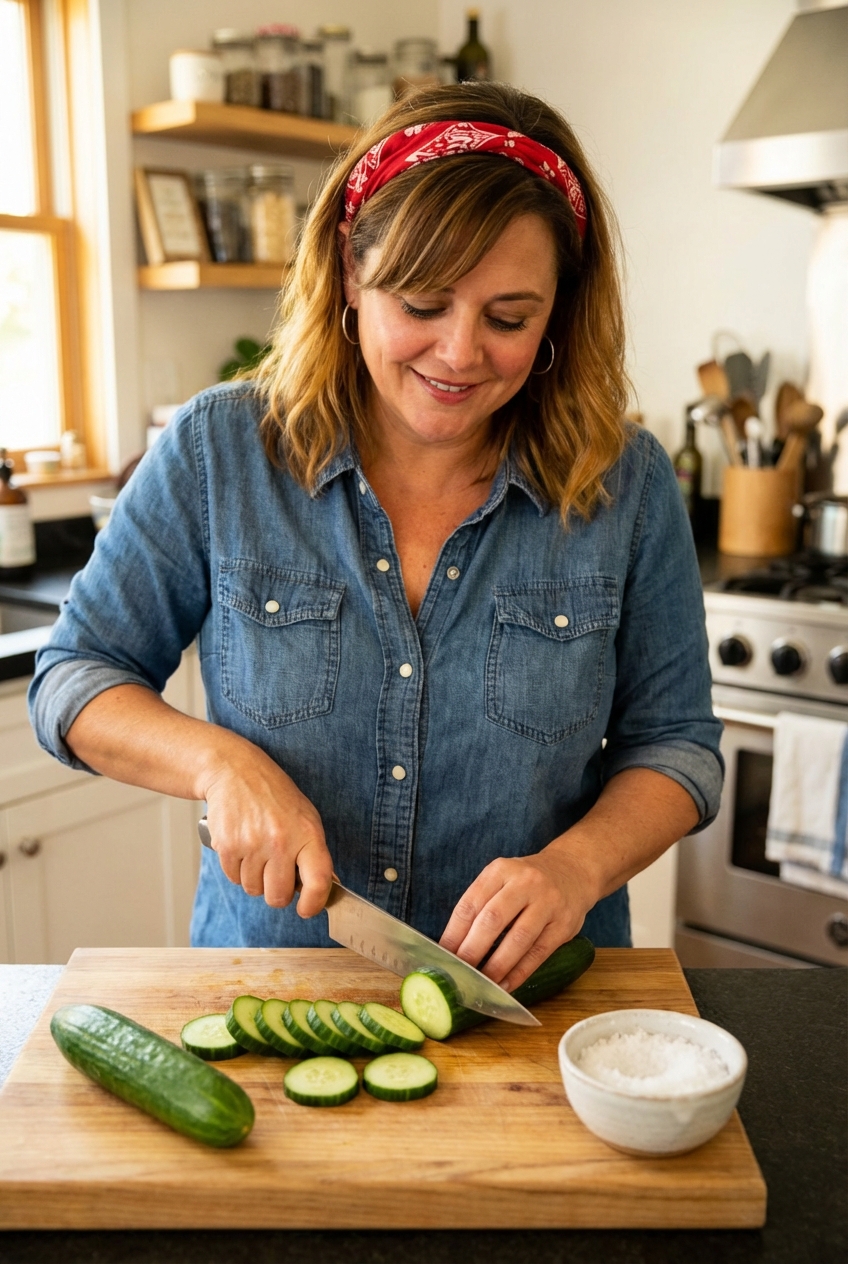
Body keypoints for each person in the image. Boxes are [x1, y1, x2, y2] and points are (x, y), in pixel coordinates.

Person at [29, 82, 722, 993]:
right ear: (352, 278)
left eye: (509, 318)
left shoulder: (625, 483)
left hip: (538, 996)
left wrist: (578, 866)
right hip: (274, 988)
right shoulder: (220, 451)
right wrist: (220, 763)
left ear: (560, 311)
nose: (461, 353)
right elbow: (75, 677)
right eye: (423, 304)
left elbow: (676, 744)